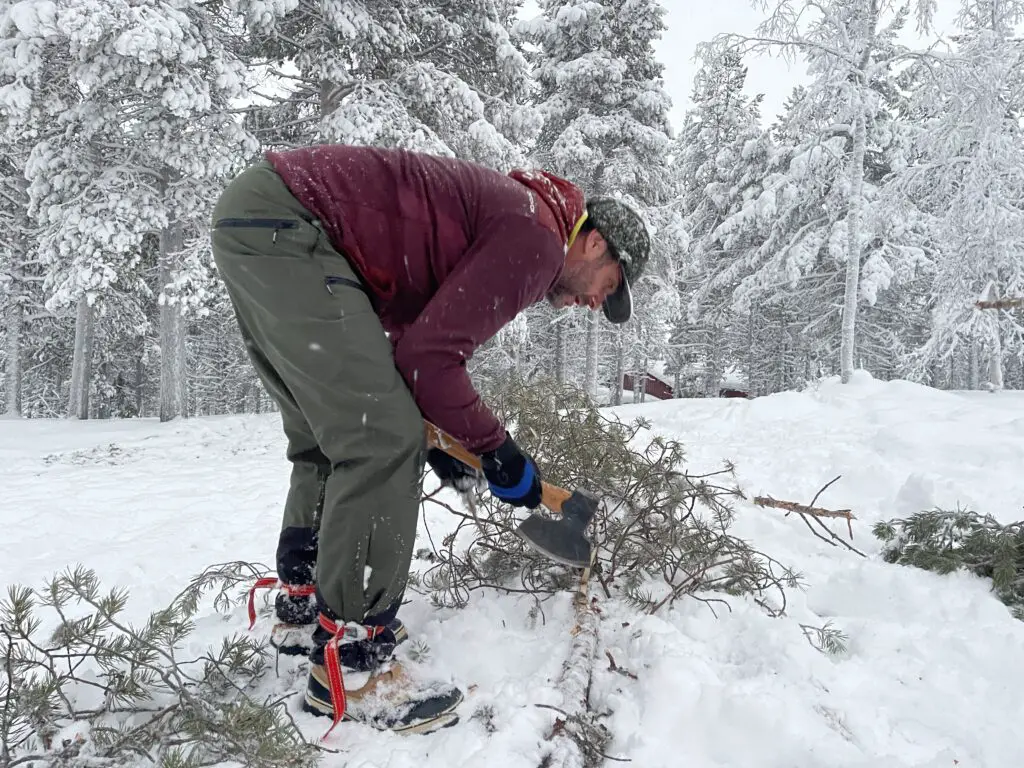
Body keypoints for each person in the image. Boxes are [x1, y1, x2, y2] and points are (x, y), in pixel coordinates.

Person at [210, 144, 650, 736]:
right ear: (594, 243)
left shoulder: (519, 215)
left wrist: (446, 441)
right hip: (296, 228)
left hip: (261, 216)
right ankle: (354, 665)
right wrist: (499, 451)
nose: (597, 302)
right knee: (382, 440)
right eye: (610, 284)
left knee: (330, 435)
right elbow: (429, 360)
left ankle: (303, 605)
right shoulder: (538, 239)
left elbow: (397, 348)